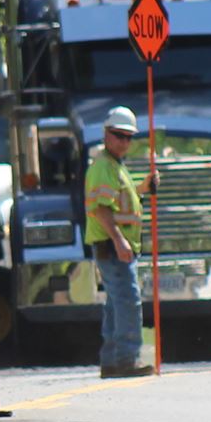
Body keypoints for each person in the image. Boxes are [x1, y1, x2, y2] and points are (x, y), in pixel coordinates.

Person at [85, 105, 151, 377]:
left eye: (128, 137)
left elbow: (123, 201)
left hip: (112, 246)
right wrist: (120, 241)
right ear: (106, 134)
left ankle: (112, 361)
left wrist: (144, 188)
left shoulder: (114, 166)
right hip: (112, 246)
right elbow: (102, 209)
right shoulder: (105, 166)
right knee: (127, 300)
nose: (124, 141)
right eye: (118, 135)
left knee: (115, 303)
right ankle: (126, 359)